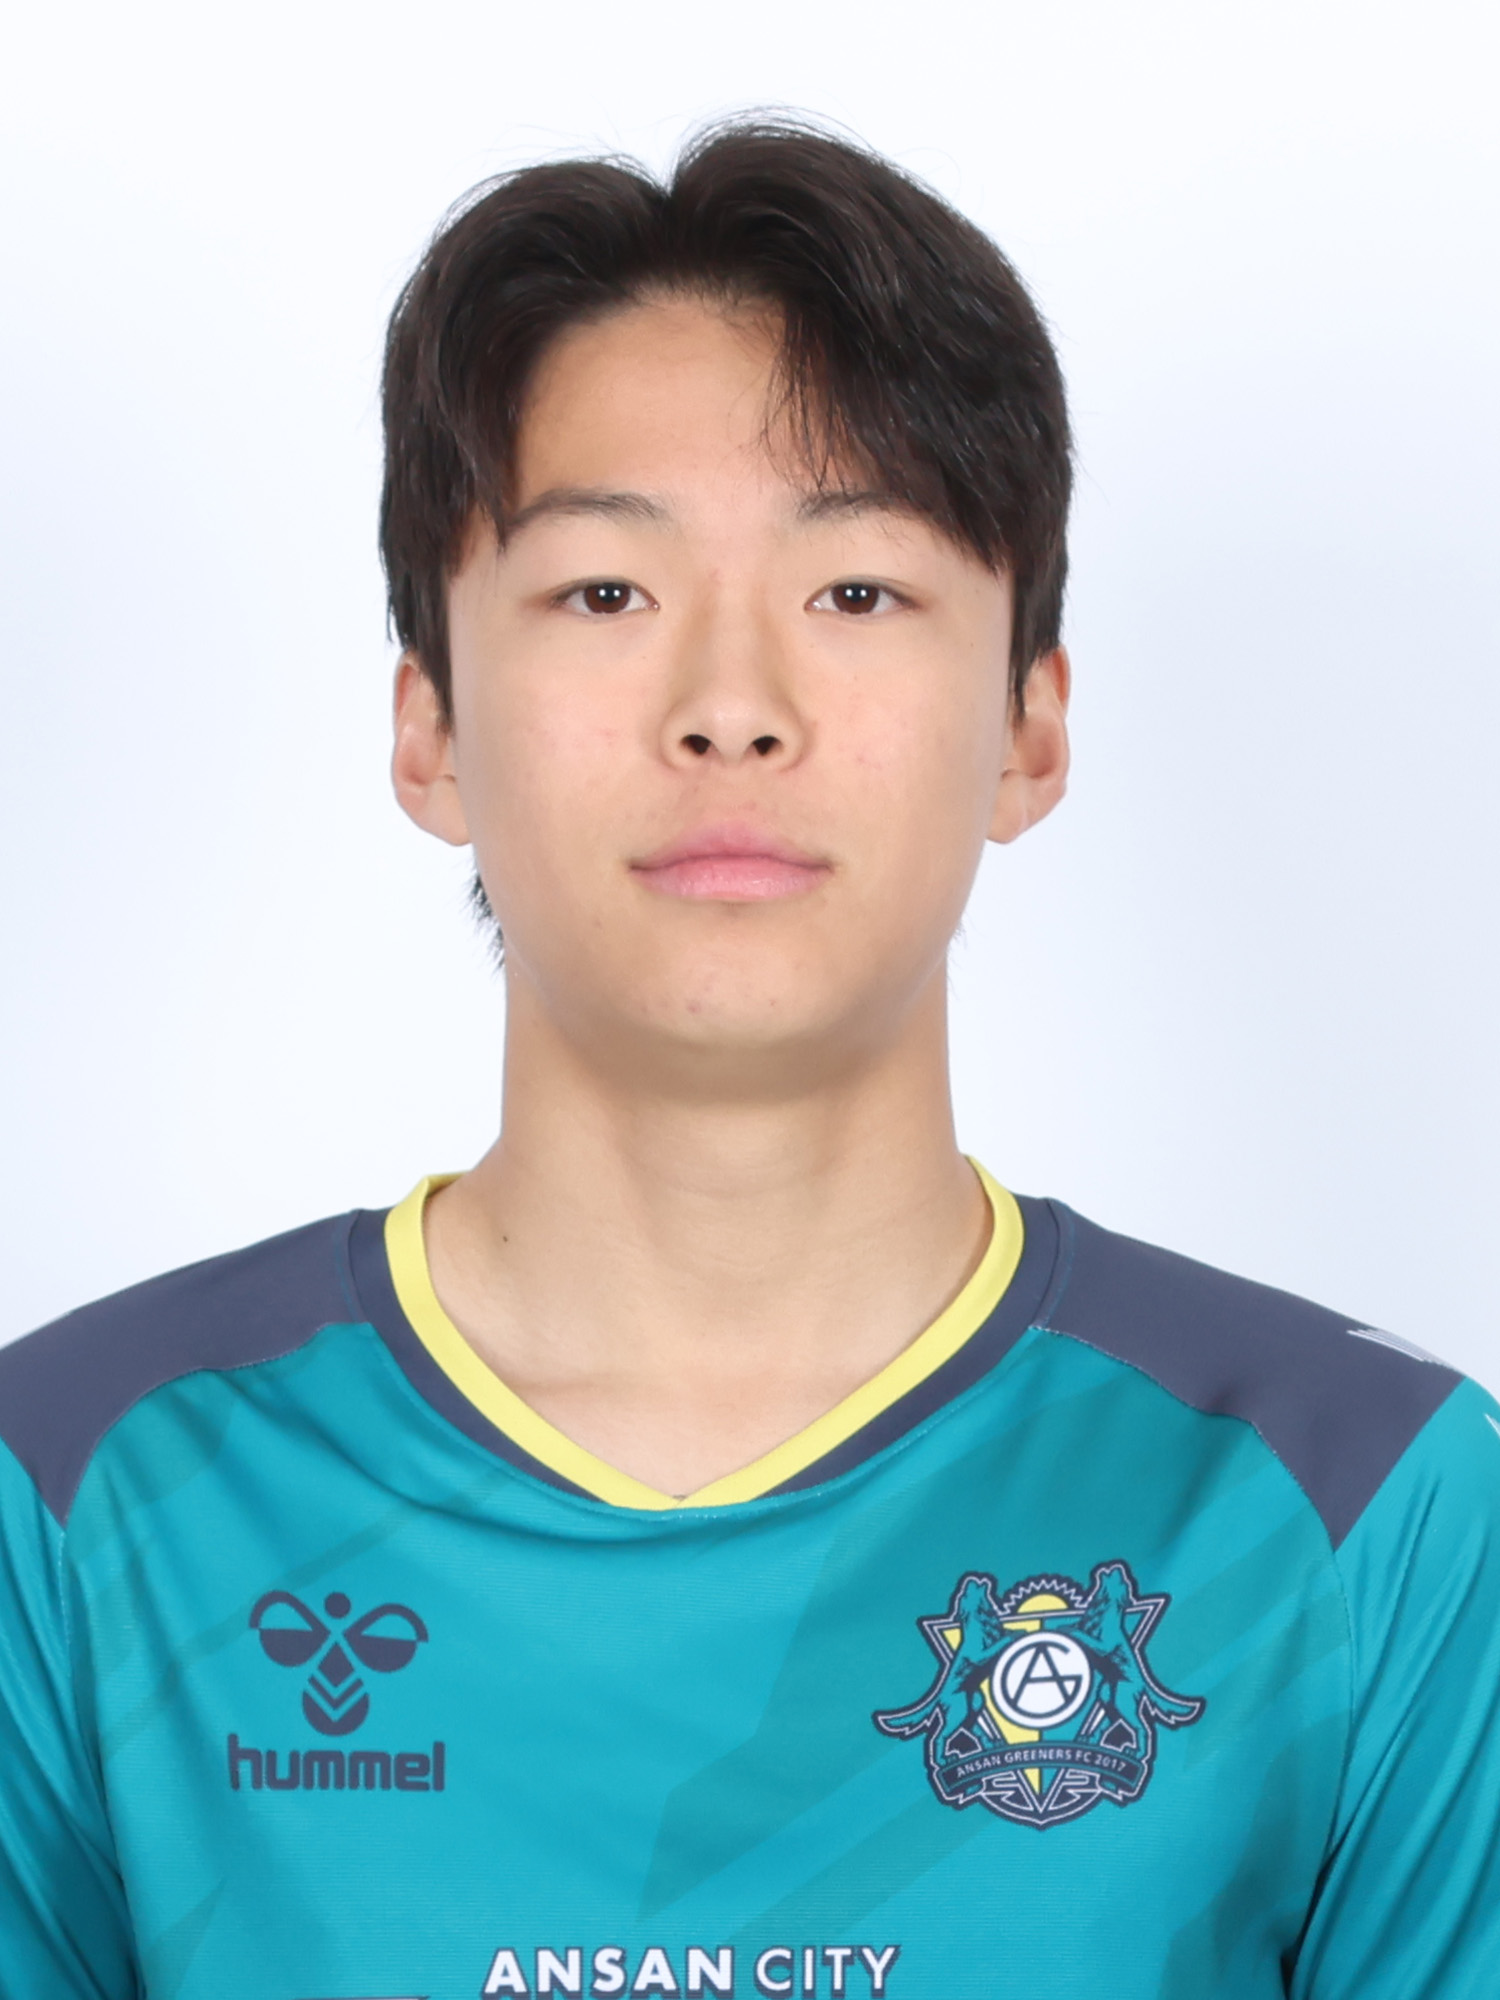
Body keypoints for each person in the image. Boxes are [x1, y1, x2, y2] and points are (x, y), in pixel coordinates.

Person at [1, 119, 1495, 2000]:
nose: (731, 708)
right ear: (429, 728)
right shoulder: (81, 1499)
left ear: (1029, 727)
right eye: (605, 593)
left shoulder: (1367, 1508)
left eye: (855, 591)